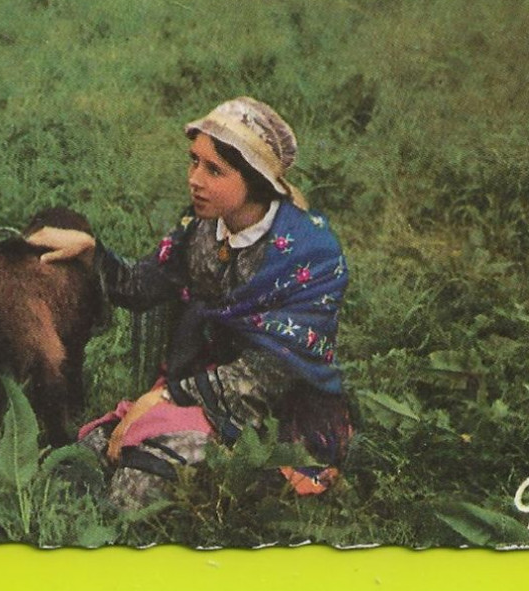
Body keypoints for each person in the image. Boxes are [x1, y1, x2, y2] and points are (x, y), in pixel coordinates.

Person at [28, 97, 353, 508]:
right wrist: (92, 251)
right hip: (198, 384)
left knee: (137, 483)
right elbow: (142, 285)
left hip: (269, 411)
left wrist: (163, 398)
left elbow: (268, 377)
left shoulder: (310, 254)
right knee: (74, 461)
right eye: (193, 161)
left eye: (213, 169)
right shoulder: (201, 228)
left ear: (254, 180)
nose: (194, 179)